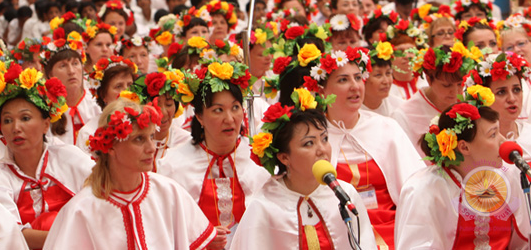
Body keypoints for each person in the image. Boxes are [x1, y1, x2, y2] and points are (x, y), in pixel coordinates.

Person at [43, 99, 219, 249]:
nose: (151, 148)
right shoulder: (81, 211)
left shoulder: (169, 193)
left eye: (151, 137)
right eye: (139, 139)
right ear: (110, 146)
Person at [305, 46, 425, 247]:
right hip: (338, 228)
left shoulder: (386, 127)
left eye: (358, 78)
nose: (355, 86)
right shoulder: (313, 135)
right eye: (343, 80)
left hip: (394, 227)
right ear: (322, 89)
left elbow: (417, 187)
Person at [0, 61, 92, 249]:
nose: (16, 128)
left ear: (45, 124)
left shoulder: (70, 158)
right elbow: (9, 234)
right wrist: (69, 240)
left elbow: (102, 201)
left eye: (25, 118)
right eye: (8, 120)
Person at [232, 93, 377, 249]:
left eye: (325, 139)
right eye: (309, 143)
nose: (322, 150)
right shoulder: (264, 206)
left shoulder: (344, 194)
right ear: (284, 157)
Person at [157, 60, 269, 247]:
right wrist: (199, 238)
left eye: (235, 107)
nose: (229, 118)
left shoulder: (257, 158)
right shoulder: (173, 165)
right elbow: (161, 226)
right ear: (199, 116)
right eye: (218, 110)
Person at [395, 98, 530, 248]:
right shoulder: (424, 190)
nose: (503, 140)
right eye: (493, 135)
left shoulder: (509, 175)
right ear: (464, 147)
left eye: (499, 132)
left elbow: (523, 241)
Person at [393, 43, 478, 154]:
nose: (455, 91)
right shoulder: (404, 116)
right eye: (446, 85)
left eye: (459, 84)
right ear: (428, 79)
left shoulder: (468, 102)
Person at [362, 41, 404, 117]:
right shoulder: (351, 112)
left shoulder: (399, 107)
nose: (386, 81)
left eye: (388, 73)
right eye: (378, 75)